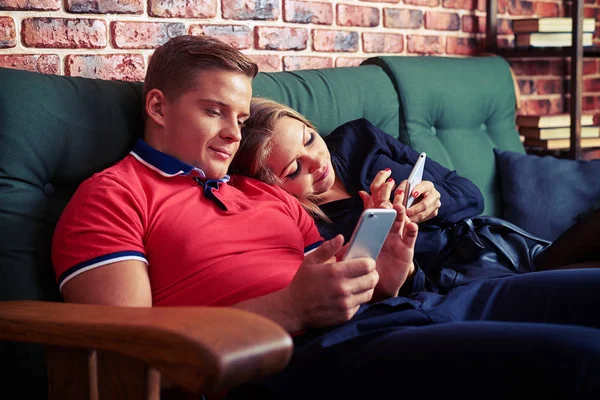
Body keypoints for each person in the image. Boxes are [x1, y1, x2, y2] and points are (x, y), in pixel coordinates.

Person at [51, 35, 600, 399]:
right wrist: (289, 308)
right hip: (312, 356)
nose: (231, 133)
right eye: (213, 111)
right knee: (579, 361)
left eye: (240, 118)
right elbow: (126, 347)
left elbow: (343, 281)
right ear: (157, 107)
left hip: (414, 308)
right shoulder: (112, 196)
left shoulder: (263, 193)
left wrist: (386, 269)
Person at [231, 97, 600, 294]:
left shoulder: (360, 138)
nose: (316, 162)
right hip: (466, 284)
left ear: (310, 126)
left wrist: (437, 199)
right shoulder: (307, 229)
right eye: (293, 170)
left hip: (507, 245)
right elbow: (386, 290)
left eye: (309, 139)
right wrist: (379, 233)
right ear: (272, 187)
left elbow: (470, 195)